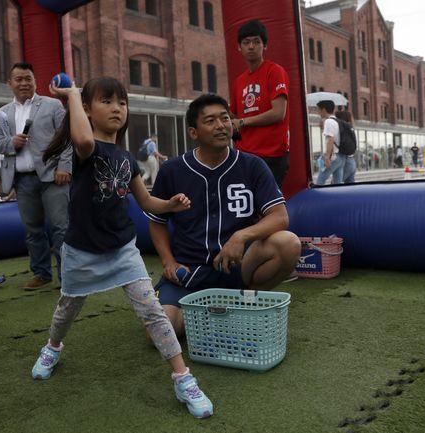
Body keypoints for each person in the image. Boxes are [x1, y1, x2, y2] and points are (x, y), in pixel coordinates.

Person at [30, 77, 214, 419]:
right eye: (107, 101)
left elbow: (145, 201)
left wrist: (170, 205)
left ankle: (183, 377)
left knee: (153, 311)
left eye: (122, 102)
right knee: (67, 310)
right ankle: (53, 347)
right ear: (86, 109)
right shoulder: (85, 149)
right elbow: (83, 137)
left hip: (122, 250)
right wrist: (71, 94)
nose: (117, 108)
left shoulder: (126, 157)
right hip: (82, 251)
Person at [146, 93, 300, 337]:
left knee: (288, 243)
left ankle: (243, 301)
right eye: (210, 121)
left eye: (225, 118)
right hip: (190, 270)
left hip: (238, 266)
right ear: (193, 132)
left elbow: (280, 217)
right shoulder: (172, 170)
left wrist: (241, 236)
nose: (220, 125)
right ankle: (221, 313)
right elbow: (157, 223)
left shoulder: (252, 165)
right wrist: (168, 262)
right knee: (161, 333)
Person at [0, 62, 70, 290]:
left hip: (54, 177)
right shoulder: (2, 114)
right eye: (19, 79)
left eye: (28, 78)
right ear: (10, 83)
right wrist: (11, 143)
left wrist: (65, 167)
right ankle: (41, 273)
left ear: (35, 81)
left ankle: (68, 277)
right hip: (22, 179)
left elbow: (66, 137)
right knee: (32, 229)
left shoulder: (53, 105)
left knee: (61, 227)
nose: (24, 83)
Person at [229, 19, 291, 187]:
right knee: (247, 208)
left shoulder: (275, 71)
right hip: (244, 155)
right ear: (239, 47)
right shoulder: (238, 81)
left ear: (265, 46)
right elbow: (234, 115)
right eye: (246, 42)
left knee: (268, 208)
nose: (251, 46)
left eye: (257, 41)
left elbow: (279, 113)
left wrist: (243, 121)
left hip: (271, 156)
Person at [314, 100, 345, 185]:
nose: (318, 112)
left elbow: (330, 139)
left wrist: (327, 157)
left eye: (319, 110)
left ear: (323, 110)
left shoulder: (328, 121)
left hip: (333, 156)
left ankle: (318, 198)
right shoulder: (337, 121)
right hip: (341, 157)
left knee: (320, 181)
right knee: (337, 184)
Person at [335, 110, 356, 183]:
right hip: (351, 161)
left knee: (335, 186)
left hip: (345, 161)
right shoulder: (350, 128)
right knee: (349, 188)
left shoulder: (342, 129)